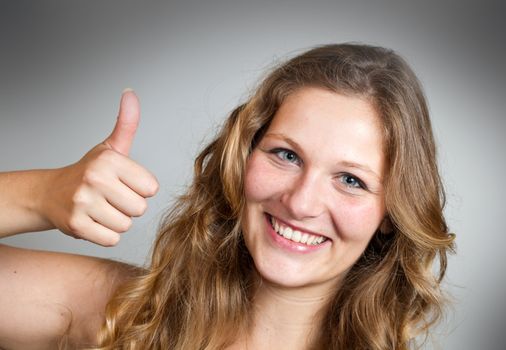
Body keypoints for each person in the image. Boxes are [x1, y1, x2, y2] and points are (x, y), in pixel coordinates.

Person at [0, 43, 455, 349]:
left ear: (392, 213)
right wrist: (40, 195)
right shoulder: (129, 311)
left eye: (351, 180)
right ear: (244, 157)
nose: (300, 203)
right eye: (286, 155)